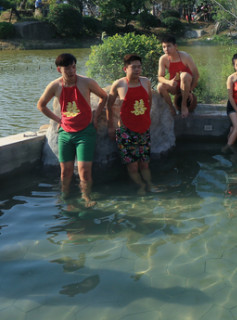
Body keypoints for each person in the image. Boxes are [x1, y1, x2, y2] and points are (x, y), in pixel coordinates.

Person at [37, 53, 108, 207]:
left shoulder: (86, 82)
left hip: (85, 133)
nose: (71, 71)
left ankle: (86, 197)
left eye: (73, 67)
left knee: (84, 171)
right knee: (65, 171)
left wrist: (95, 117)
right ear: (59, 69)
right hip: (65, 133)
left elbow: (104, 96)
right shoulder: (55, 86)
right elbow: (41, 105)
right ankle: (65, 196)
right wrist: (58, 120)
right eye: (67, 68)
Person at [107, 53, 156, 194]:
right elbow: (109, 106)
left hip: (144, 129)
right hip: (126, 131)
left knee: (145, 164)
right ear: (125, 69)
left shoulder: (146, 82)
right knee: (133, 166)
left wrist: (146, 118)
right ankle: (140, 185)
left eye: (139, 67)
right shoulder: (119, 84)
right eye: (133, 67)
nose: (137, 70)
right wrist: (111, 127)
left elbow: (149, 101)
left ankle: (150, 184)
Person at [157, 35, 199, 118]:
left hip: (186, 84)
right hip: (175, 86)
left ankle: (184, 106)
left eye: (169, 46)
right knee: (160, 86)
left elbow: (196, 75)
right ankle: (171, 107)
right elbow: (160, 77)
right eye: (164, 47)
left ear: (175, 46)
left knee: (184, 75)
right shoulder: (163, 59)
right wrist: (168, 82)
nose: (166, 49)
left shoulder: (185, 56)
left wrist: (190, 90)